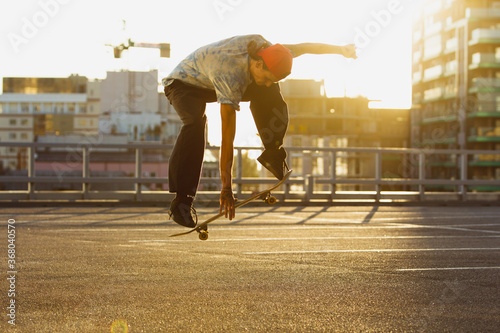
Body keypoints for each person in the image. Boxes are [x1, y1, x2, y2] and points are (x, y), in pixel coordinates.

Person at [163, 34, 357, 228]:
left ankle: (273, 151)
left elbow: (306, 47)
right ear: (257, 65)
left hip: (208, 81)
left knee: (269, 90)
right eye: (265, 77)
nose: (265, 82)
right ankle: (182, 202)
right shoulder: (229, 73)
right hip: (181, 85)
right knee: (195, 122)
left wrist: (341, 49)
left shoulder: (273, 52)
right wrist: (227, 188)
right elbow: (227, 137)